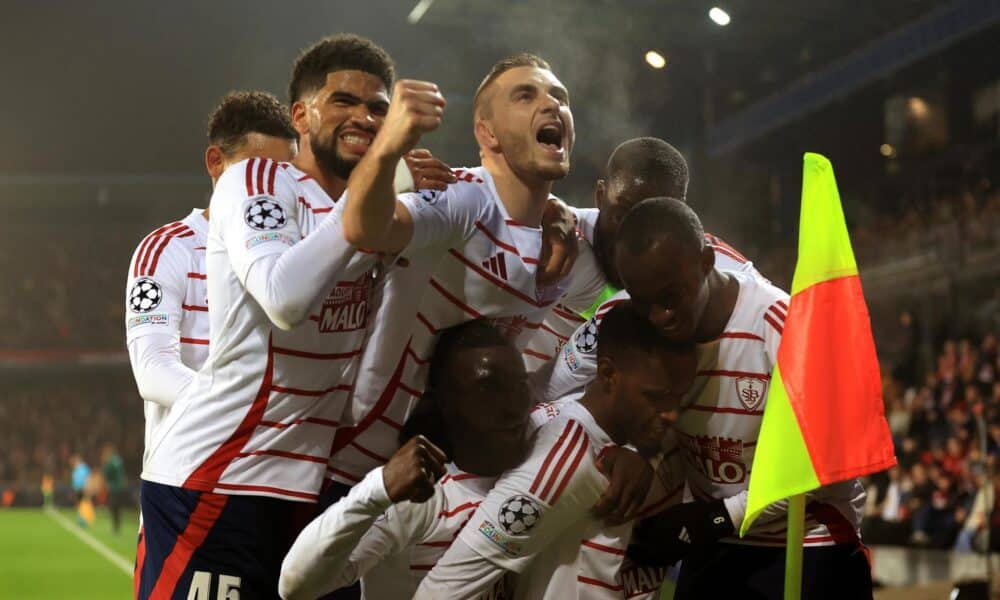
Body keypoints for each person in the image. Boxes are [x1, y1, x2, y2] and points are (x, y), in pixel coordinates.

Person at [135, 35, 454, 600]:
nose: (363, 117)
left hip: (315, 493)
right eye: (344, 102)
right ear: (301, 115)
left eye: (379, 108)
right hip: (218, 481)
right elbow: (283, 298)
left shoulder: (377, 209)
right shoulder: (258, 181)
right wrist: (376, 176)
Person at [325, 54, 636, 519]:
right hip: (356, 459)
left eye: (559, 97)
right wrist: (388, 156)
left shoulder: (569, 236)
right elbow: (366, 228)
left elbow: (667, 239)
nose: (551, 105)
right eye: (525, 95)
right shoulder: (461, 201)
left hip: (455, 471)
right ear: (487, 133)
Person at [575, 198, 871, 599]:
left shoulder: (781, 327)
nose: (660, 317)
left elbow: (827, 460)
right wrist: (637, 451)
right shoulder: (643, 331)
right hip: (713, 537)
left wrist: (719, 517)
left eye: (670, 297)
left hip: (807, 538)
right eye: (643, 302)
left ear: (706, 261)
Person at [412, 303, 697, 599]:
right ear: (608, 372)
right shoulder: (565, 459)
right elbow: (443, 589)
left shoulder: (623, 437)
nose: (672, 414)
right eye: (657, 397)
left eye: (679, 397)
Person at [278, 319, 535, 599]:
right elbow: (295, 587)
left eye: (519, 384)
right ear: (446, 402)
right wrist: (377, 491)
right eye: (489, 389)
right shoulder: (422, 498)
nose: (513, 407)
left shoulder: (548, 460)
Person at [125, 90, 298, 472]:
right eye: (252, 170)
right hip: (189, 477)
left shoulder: (301, 252)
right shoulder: (168, 250)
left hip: (277, 479)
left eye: (283, 173)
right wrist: (240, 415)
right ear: (215, 163)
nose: (265, 186)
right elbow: (153, 370)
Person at [528, 136, 763, 393]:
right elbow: (490, 199)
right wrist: (547, 205)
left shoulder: (723, 268)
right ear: (600, 196)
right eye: (623, 213)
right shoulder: (557, 237)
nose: (634, 232)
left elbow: (778, 312)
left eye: (654, 217)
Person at [101, 443, 127, 534]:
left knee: (113, 507)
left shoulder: (110, 462)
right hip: (121, 486)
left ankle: (115, 528)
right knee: (118, 508)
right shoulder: (118, 459)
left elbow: (106, 473)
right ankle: (118, 526)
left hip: (113, 488)